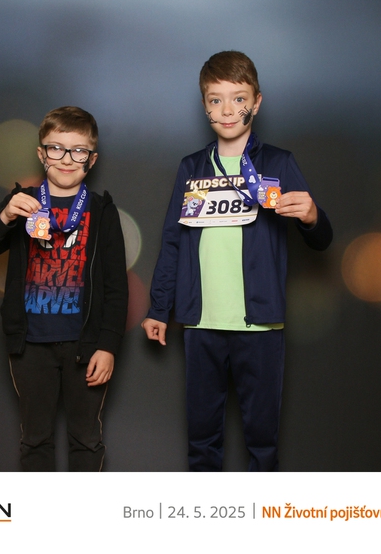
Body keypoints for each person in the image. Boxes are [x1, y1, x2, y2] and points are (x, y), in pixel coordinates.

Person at [142, 51, 333, 471]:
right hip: (201, 323)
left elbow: (321, 240)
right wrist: (159, 307)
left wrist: (313, 217)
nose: (227, 110)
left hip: (260, 325)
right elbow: (173, 242)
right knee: (201, 441)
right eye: (216, 100)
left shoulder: (278, 163)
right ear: (204, 105)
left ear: (257, 103)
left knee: (262, 443)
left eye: (239, 98)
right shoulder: (192, 168)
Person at [0, 106, 128, 471]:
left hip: (85, 346)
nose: (67, 159)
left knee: (86, 440)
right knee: (35, 440)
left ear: (92, 159)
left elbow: (117, 288)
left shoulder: (102, 211)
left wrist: (108, 346)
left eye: (78, 150)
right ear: (42, 154)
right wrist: (4, 216)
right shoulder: (21, 202)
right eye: (56, 148)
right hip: (30, 344)